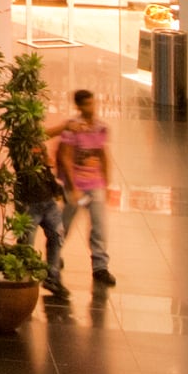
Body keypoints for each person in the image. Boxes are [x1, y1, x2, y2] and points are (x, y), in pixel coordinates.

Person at [51, 87, 116, 287]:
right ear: (79, 106)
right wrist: (72, 186)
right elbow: (66, 157)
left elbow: (102, 154)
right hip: (76, 186)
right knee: (66, 223)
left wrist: (106, 182)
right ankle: (54, 255)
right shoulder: (73, 128)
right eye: (87, 103)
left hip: (94, 184)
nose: (92, 107)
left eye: (93, 102)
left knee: (99, 225)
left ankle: (100, 266)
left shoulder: (100, 127)